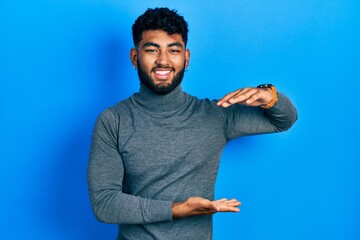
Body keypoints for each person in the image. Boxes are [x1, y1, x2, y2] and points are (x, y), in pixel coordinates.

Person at [87, 7, 298, 240]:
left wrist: (269, 95)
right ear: (134, 57)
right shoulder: (113, 121)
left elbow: (284, 120)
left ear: (186, 58)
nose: (163, 61)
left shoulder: (216, 116)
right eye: (152, 50)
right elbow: (104, 204)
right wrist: (177, 210)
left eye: (173, 50)